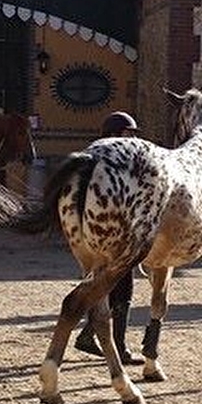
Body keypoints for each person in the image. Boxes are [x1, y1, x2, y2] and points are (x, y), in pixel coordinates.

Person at [74, 111, 144, 364]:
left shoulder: (92, 159)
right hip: (114, 238)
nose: (131, 139)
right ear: (114, 134)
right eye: (127, 134)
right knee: (121, 292)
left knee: (104, 289)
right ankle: (120, 348)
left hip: (96, 237)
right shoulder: (116, 166)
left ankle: (88, 335)